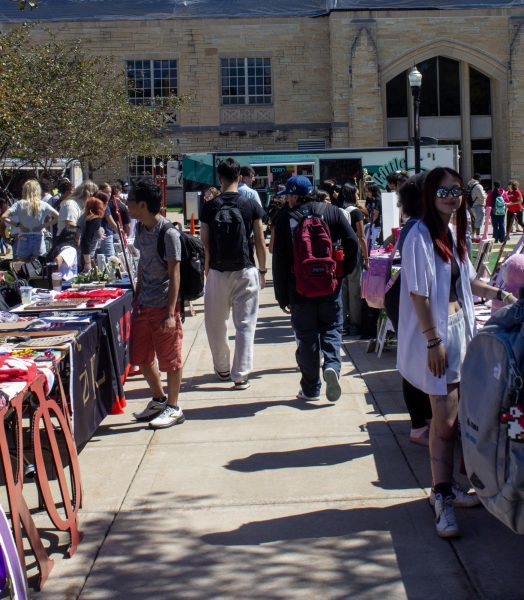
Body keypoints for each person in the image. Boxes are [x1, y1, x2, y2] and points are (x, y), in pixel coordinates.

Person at [397, 167, 517, 538]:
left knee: (466, 417)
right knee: (444, 422)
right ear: (429, 196)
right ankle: (442, 496)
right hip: (438, 336)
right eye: (443, 190)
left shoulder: (451, 233)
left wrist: (502, 295)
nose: (452, 196)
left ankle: (459, 487)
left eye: (457, 189)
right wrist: (433, 340)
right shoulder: (419, 234)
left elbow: (469, 282)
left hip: (462, 333)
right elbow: (418, 292)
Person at [272, 175, 359, 402]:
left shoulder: (285, 219)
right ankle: (331, 365)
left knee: (307, 337)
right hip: (330, 284)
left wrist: (281, 296)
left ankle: (311, 388)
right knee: (331, 328)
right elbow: (353, 242)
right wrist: (344, 271)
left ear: (293, 195)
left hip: (299, 289)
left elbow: (279, 261)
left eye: (288, 196)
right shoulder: (332, 212)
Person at [200, 158, 266, 390]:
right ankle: (241, 374)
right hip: (245, 269)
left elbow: (205, 243)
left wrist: (207, 271)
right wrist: (263, 270)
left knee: (216, 323)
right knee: (246, 324)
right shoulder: (250, 205)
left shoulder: (209, 206)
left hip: (217, 271)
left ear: (220, 178)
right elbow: (259, 241)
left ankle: (222, 367)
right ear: (240, 178)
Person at [127, 177, 185, 429]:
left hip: (164, 307)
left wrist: (171, 312)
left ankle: (174, 407)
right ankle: (159, 399)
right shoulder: (140, 228)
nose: (126, 204)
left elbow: (174, 274)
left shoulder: (168, 233)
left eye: (130, 201)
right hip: (144, 304)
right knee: (141, 357)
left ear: (142, 204)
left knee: (170, 359)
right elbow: (142, 263)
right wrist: (137, 296)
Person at [384, 174, 433, 446]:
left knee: (414, 358)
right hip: (409, 304)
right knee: (414, 360)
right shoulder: (417, 230)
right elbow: (418, 285)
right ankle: (419, 425)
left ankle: (422, 423)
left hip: (403, 301)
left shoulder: (415, 226)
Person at [1, 179, 58, 261]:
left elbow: (3, 217)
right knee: (38, 266)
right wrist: (43, 225)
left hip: (24, 236)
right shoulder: (43, 204)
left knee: (22, 266)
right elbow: (58, 216)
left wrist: (18, 225)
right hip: (39, 236)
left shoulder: (19, 204)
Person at [339, 183, 369, 335]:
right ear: (352, 194)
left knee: (343, 292)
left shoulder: (338, 210)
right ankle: (355, 325)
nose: (358, 196)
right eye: (357, 194)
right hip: (353, 255)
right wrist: (367, 258)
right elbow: (362, 237)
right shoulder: (356, 212)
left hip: (340, 255)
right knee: (355, 292)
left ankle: (342, 323)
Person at [79, 197, 105, 272]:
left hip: (81, 254)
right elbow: (86, 241)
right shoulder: (95, 220)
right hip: (87, 257)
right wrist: (88, 263)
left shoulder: (83, 217)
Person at [466, 173, 487, 241]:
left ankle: (473, 236)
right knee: (479, 221)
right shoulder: (478, 186)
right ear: (479, 178)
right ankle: (478, 236)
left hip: (470, 205)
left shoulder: (469, 185)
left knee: (473, 221)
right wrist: (485, 195)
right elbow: (482, 197)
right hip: (478, 205)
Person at [363, 182, 382, 248]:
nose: (367, 193)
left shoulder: (377, 200)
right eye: (366, 191)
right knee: (367, 243)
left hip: (376, 225)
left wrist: (369, 224)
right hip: (370, 224)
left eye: (369, 191)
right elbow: (367, 211)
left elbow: (375, 215)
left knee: (371, 244)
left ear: (374, 191)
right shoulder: (368, 199)